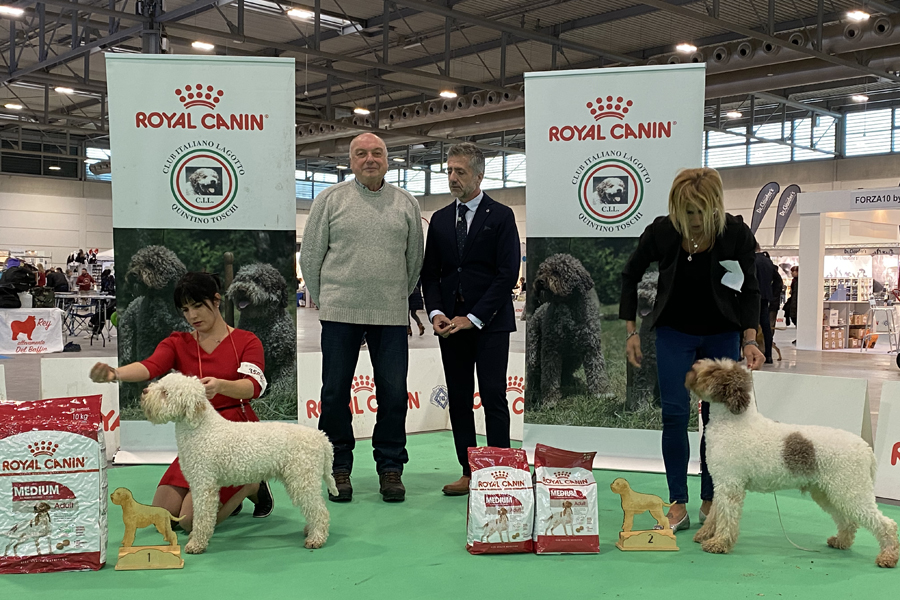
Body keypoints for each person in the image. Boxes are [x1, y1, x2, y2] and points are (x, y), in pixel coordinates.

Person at [620, 167, 765, 531]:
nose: (695, 219)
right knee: (673, 415)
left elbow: (751, 289)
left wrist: (750, 339)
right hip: (674, 333)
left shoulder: (735, 234)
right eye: (687, 212)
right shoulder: (662, 231)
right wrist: (631, 331)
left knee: (717, 420)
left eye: (702, 211)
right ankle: (678, 503)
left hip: (722, 334)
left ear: (715, 206)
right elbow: (630, 274)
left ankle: (710, 498)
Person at [88, 272, 274, 529]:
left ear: (216, 300)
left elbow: (254, 386)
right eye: (185, 309)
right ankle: (230, 495)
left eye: (197, 306)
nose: (192, 315)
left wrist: (222, 385)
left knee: (189, 522)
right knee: (163, 515)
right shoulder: (178, 342)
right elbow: (150, 366)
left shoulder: (246, 341)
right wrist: (115, 373)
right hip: (197, 434)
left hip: (237, 433)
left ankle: (251, 484)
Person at [301, 132, 424, 503]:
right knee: (334, 394)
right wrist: (328, 300)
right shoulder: (329, 200)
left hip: (390, 315)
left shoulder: (407, 203)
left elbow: (414, 260)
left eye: (377, 153)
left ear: (387, 159)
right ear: (350, 161)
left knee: (394, 395)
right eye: (361, 153)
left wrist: (395, 298)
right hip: (340, 314)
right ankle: (337, 467)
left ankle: (391, 468)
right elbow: (311, 257)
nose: (370, 159)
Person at [421, 143, 521, 496]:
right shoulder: (440, 219)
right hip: (450, 327)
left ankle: (501, 471)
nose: (452, 177)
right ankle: (469, 471)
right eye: (449, 170)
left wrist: (474, 317)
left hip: (490, 324)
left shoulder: (502, 216)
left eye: (460, 171)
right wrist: (436, 313)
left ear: (479, 175)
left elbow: (507, 274)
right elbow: (430, 274)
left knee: (494, 396)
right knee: (459, 399)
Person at [754, 246, 776, 364]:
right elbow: (777, 280)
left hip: (753, 296)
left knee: (749, 325)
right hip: (765, 297)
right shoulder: (768, 261)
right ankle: (768, 355)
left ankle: (741, 353)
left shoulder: (752, 260)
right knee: (766, 327)